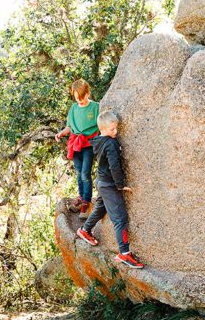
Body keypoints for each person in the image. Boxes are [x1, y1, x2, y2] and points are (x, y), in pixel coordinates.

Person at [75, 110, 144, 269]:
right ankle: (125, 253)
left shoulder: (99, 141)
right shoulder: (111, 144)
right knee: (120, 219)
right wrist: (120, 185)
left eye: (116, 128)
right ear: (103, 129)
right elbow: (114, 166)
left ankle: (85, 230)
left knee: (101, 207)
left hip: (101, 181)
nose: (116, 132)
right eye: (112, 129)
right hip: (109, 185)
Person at [55, 79, 99, 215]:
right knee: (79, 173)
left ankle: (87, 201)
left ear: (88, 93)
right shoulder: (73, 108)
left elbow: (101, 124)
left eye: (82, 97)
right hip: (76, 144)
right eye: (76, 98)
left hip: (88, 143)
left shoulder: (95, 107)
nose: (80, 100)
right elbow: (69, 126)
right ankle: (81, 197)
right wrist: (62, 133)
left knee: (86, 173)